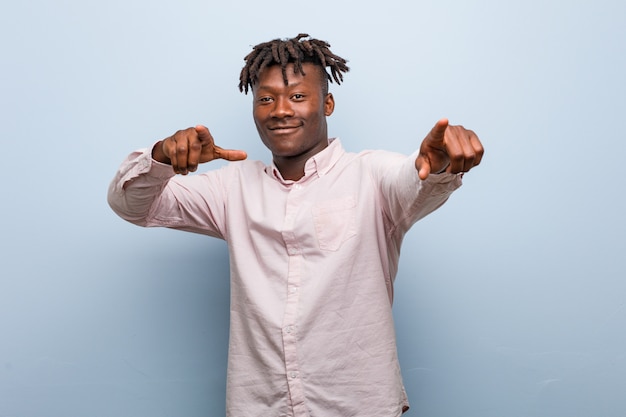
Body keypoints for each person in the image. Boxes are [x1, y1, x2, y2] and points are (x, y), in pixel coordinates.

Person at [108, 33, 484, 417]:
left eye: (298, 96)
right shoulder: (232, 187)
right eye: (266, 98)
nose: (280, 110)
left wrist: (437, 163)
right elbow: (133, 205)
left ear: (328, 103)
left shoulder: (370, 176)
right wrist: (162, 158)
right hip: (260, 407)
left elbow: (414, 181)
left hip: (359, 406)